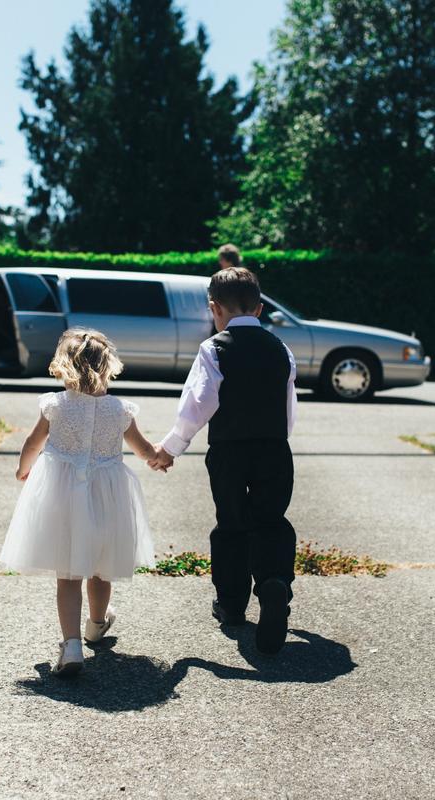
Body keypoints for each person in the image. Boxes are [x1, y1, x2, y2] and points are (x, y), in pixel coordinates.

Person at [149, 265, 298, 655]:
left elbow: (198, 404)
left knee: (231, 523)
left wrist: (171, 448)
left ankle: (232, 606)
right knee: (271, 520)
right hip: (274, 448)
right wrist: (277, 437)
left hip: (230, 450)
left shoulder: (214, 348)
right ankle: (274, 582)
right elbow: (288, 404)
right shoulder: (280, 349)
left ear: (215, 309)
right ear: (260, 308)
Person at [0, 329, 158, 677]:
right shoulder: (119, 410)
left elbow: (32, 443)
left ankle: (71, 646)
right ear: (107, 367)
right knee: (101, 567)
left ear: (63, 367)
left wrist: (23, 470)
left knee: (68, 575)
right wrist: (159, 457)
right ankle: (97, 624)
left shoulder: (56, 405)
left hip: (63, 497)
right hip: (106, 497)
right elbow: (143, 448)